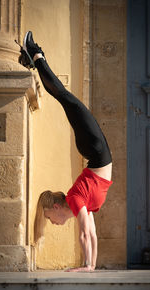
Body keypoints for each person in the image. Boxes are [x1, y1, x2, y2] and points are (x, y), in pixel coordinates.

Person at [19, 31, 113, 272]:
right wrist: (90, 266)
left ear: (57, 207)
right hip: (96, 151)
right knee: (64, 98)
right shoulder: (83, 204)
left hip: (95, 149)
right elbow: (90, 232)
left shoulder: (74, 199)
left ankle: (36, 54)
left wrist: (84, 266)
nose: (54, 223)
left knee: (64, 96)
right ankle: (34, 58)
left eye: (50, 218)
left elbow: (84, 234)